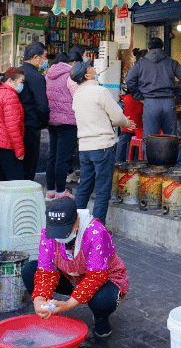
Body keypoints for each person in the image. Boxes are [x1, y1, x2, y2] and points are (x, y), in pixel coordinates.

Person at [22, 196, 129, 339]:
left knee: (102, 300)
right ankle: (51, 316)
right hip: (71, 277)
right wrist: (39, 300)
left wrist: (68, 304)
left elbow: (96, 277)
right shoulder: (48, 234)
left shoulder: (96, 233)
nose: (60, 237)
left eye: (65, 230)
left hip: (103, 280)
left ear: (77, 221)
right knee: (30, 271)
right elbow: (46, 271)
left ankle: (101, 318)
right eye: (56, 231)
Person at [70, 61, 133, 227]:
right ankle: (97, 230)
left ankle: (75, 225)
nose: (93, 68)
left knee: (84, 186)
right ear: (86, 75)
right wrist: (126, 123)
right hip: (102, 146)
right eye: (90, 67)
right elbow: (118, 117)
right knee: (102, 190)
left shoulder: (78, 94)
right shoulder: (100, 91)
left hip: (84, 147)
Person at [123, 37, 181, 165]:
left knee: (150, 138)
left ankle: (151, 168)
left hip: (150, 103)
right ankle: (177, 168)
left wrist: (139, 96)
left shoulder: (140, 64)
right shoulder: (171, 62)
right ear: (163, 48)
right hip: (168, 103)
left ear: (148, 49)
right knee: (171, 137)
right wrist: (176, 93)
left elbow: (129, 79)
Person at [45, 52, 77, 200]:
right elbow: (77, 96)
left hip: (52, 120)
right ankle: (61, 191)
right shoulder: (69, 76)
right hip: (67, 121)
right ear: (71, 63)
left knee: (53, 156)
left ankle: (50, 190)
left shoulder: (48, 76)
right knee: (63, 159)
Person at [19, 42, 50, 183]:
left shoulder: (16, 73)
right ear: (36, 57)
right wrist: (43, 123)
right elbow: (42, 106)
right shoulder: (37, 77)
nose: (46, 60)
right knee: (29, 167)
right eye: (45, 56)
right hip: (31, 126)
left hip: (15, 126)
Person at [115, 49, 145, 164]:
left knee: (127, 135)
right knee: (127, 134)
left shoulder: (136, 68)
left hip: (131, 103)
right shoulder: (138, 70)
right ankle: (120, 162)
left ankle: (121, 162)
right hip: (132, 104)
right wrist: (140, 97)